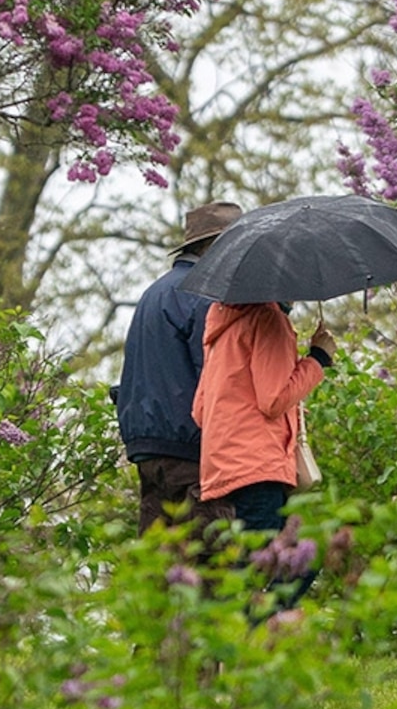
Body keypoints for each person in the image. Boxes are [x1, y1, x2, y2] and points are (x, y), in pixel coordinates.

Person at [112, 202, 241, 531]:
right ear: (214, 246)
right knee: (210, 562)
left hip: (146, 448)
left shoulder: (153, 293)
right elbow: (213, 375)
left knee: (163, 568)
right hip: (188, 447)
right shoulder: (203, 294)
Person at [193, 297, 331, 595]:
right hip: (257, 468)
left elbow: (200, 410)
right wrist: (318, 358)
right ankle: (260, 632)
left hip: (222, 470)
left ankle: (255, 629)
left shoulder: (222, 324)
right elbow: (273, 399)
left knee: (262, 564)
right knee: (274, 568)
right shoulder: (269, 319)